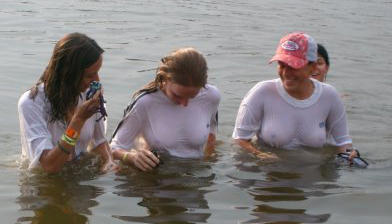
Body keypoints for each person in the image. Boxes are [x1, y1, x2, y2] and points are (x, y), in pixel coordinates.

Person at [232, 32, 357, 160]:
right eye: (281, 65)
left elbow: (343, 143)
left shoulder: (330, 96)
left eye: (293, 66)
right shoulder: (261, 92)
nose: (286, 73)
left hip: (313, 176)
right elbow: (239, 141)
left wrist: (350, 155)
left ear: (313, 67)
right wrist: (259, 155)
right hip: (269, 175)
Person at [18, 32, 117, 173]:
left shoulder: (89, 94)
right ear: (68, 74)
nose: (97, 80)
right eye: (89, 75)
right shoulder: (31, 103)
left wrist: (109, 161)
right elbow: (50, 166)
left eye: (97, 72)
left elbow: (99, 142)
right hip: (44, 185)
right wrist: (78, 120)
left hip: (80, 179)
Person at [110, 47, 220, 171]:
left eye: (192, 97)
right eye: (177, 96)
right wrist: (130, 157)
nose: (184, 104)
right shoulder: (145, 102)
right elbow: (112, 149)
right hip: (155, 180)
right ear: (166, 79)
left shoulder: (211, 96)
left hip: (195, 177)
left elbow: (211, 137)